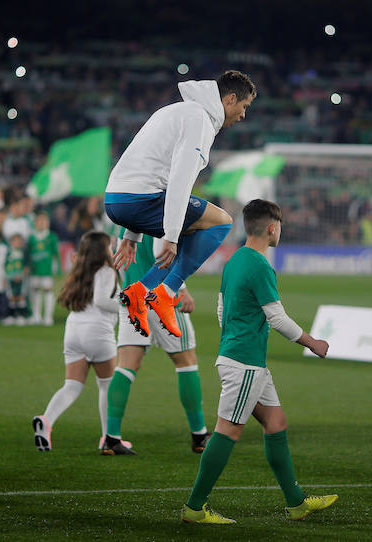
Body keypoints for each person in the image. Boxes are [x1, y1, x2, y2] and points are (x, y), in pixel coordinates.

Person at [181, 199, 336, 525]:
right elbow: (276, 317)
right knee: (227, 432)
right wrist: (314, 343)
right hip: (245, 363)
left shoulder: (235, 260)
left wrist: (235, 335)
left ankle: (296, 503)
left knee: (276, 423)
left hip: (243, 360)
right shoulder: (260, 266)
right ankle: (194, 508)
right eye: (280, 225)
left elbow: (222, 309)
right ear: (272, 228)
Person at [105, 70, 255, 339]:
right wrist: (171, 237)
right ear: (231, 99)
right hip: (139, 199)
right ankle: (165, 293)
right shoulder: (199, 121)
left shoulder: (175, 111)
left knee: (197, 224)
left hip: (116, 198)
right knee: (221, 222)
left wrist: (130, 232)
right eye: (244, 107)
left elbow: (145, 165)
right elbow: (179, 180)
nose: (243, 115)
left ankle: (142, 290)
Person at [100, 233, 210, 456]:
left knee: (126, 366)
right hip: (161, 296)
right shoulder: (162, 214)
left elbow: (120, 258)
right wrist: (182, 289)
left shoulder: (126, 218)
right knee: (186, 362)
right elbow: (164, 253)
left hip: (132, 294)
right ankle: (199, 436)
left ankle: (111, 438)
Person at [32, 231, 120, 452]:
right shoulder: (106, 271)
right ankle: (107, 438)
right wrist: (129, 306)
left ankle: (47, 421)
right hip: (98, 331)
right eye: (110, 247)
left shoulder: (79, 270)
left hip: (73, 330)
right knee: (106, 386)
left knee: (71, 386)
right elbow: (101, 300)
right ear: (103, 251)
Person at [28, 212, 61, 326]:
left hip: (47, 269)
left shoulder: (52, 237)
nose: (41, 224)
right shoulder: (32, 238)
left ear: (48, 223)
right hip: (35, 269)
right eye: (39, 221)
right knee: (35, 292)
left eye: (44, 221)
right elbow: (28, 253)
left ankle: (48, 317)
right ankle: (36, 315)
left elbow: (56, 254)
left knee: (48, 292)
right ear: (35, 223)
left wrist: (58, 268)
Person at [3, 233, 29, 326]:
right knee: (12, 297)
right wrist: (5, 278)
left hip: (21, 280)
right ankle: (12, 316)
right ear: (11, 242)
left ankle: (21, 316)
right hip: (10, 279)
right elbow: (5, 266)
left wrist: (21, 275)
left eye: (19, 241)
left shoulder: (24, 253)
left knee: (20, 296)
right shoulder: (8, 253)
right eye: (15, 241)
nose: (18, 243)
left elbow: (26, 267)